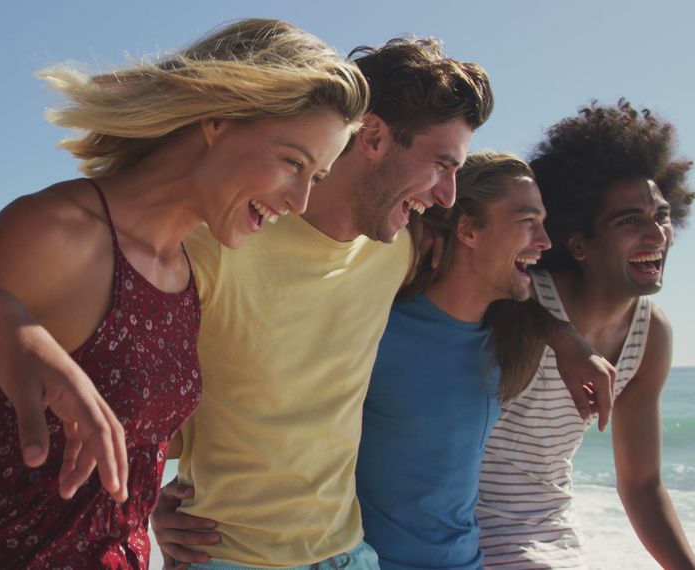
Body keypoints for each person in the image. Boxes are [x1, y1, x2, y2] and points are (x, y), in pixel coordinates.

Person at [0, 19, 369, 569]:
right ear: (217, 117)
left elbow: (126, 435)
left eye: (316, 177)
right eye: (294, 162)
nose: (299, 200)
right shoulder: (53, 234)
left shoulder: (186, 271)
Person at [152, 38, 614, 570]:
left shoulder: (398, 250)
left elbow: (484, 282)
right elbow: (141, 415)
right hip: (234, 558)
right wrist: (155, 496)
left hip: (350, 555)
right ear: (371, 136)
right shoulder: (220, 244)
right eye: (442, 164)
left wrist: (566, 338)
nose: (447, 194)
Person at [477, 101, 695, 569]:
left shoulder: (650, 333)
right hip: (469, 530)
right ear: (577, 242)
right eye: (629, 220)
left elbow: (641, 484)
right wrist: (560, 336)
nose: (656, 234)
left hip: (553, 531)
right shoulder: (521, 294)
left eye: (660, 216)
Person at [356, 151, 553, 569]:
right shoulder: (375, 329)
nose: (544, 242)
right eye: (526, 222)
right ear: (468, 230)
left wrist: (571, 341)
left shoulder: (507, 341)